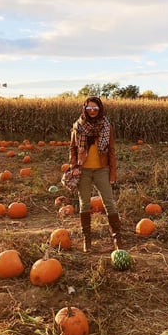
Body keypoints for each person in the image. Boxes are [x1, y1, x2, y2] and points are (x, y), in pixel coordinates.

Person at [69, 96, 122, 252]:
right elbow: (72, 149)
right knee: (84, 204)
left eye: (95, 108)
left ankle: (116, 238)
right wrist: (74, 166)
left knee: (109, 202)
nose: (92, 111)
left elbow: (111, 150)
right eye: (89, 108)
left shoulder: (106, 126)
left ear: (100, 109)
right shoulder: (78, 126)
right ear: (84, 109)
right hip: (83, 170)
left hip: (102, 170)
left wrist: (112, 173)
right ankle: (87, 240)